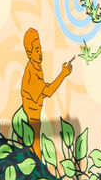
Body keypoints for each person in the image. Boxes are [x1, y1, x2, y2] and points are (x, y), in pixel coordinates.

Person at [20, 28, 73, 157]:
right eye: (36, 50)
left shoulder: (36, 68)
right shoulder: (31, 72)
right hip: (31, 119)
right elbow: (48, 91)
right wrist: (63, 74)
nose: (40, 53)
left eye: (40, 49)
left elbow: (44, 90)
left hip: (34, 118)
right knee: (34, 150)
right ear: (29, 53)